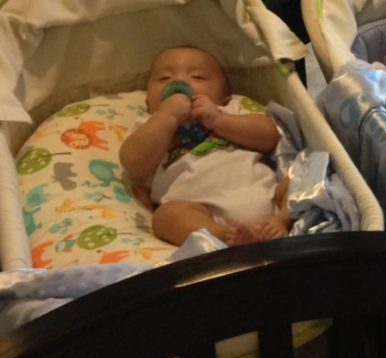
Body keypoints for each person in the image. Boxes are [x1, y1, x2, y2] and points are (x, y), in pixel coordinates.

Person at [120, 46, 292, 247]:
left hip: (267, 197)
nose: (178, 81)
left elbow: (270, 135)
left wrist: (219, 119)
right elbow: (133, 163)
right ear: (148, 101)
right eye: (164, 78)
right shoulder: (149, 124)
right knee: (165, 217)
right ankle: (222, 236)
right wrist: (166, 116)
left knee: (297, 179)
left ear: (225, 96)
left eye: (198, 77)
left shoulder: (231, 110)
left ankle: (283, 220)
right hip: (202, 212)